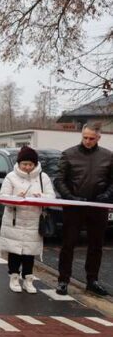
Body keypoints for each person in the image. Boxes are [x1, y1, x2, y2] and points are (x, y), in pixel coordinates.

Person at [54, 123, 113, 296]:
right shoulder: (69, 154)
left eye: (91, 138)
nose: (87, 141)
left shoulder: (108, 156)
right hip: (74, 207)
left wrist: (107, 195)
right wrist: (70, 198)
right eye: (85, 137)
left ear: (98, 138)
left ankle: (92, 280)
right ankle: (63, 280)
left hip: (98, 206)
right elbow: (59, 180)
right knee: (68, 244)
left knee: (96, 245)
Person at [0, 146, 55, 293]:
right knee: (15, 251)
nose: (27, 167)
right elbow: (2, 198)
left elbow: (51, 198)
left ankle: (28, 279)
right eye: (24, 164)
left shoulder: (43, 177)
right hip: (14, 220)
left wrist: (40, 197)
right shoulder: (11, 176)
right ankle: (14, 277)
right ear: (19, 163)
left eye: (30, 164)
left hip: (34, 221)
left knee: (30, 252)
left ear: (35, 164)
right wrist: (16, 198)